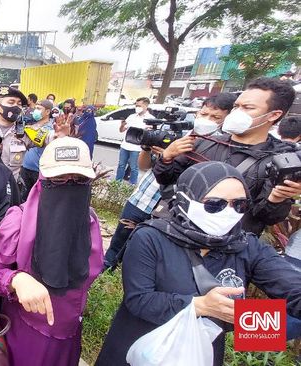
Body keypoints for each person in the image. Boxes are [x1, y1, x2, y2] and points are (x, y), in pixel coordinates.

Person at [96, 162, 301, 365]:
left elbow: (290, 285)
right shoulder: (151, 237)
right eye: (215, 204)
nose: (228, 212)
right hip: (142, 347)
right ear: (186, 200)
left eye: (239, 205)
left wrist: (250, 320)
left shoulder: (246, 246)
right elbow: (139, 300)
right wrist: (199, 305)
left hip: (200, 353)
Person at [0, 137, 104, 366]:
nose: (69, 186)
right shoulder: (18, 220)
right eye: (58, 180)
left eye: (78, 180)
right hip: (26, 333)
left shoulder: (88, 222)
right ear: (42, 180)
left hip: (69, 332)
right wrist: (16, 279)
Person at [104, 93, 237, 269]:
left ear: (227, 119)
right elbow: (143, 165)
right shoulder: (175, 134)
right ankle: (107, 267)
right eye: (204, 114)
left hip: (169, 209)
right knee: (119, 239)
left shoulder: (219, 149)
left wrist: (174, 157)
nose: (207, 120)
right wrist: (149, 149)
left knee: (146, 249)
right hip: (143, 197)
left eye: (215, 117)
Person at [154, 78, 301, 236]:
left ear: (274, 115)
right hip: (177, 232)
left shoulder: (280, 162)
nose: (238, 112)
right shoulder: (204, 142)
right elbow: (166, 179)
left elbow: (265, 217)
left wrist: (277, 199)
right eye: (236, 106)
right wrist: (166, 158)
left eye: (247, 107)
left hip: (224, 248)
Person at [20, 99, 56, 200]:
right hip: (25, 168)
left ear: (48, 112)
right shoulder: (33, 125)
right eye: (35, 108)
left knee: (35, 199)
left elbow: (38, 139)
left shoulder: (50, 128)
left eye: (39, 109)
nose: (35, 111)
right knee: (22, 197)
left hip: (37, 171)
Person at [115, 97, 154, 185]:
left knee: (134, 167)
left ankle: (132, 185)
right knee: (121, 165)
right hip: (125, 145)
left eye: (139, 105)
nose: (137, 107)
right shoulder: (131, 117)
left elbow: (151, 135)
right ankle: (117, 184)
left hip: (137, 148)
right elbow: (122, 130)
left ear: (146, 105)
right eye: (136, 105)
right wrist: (122, 125)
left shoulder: (150, 119)